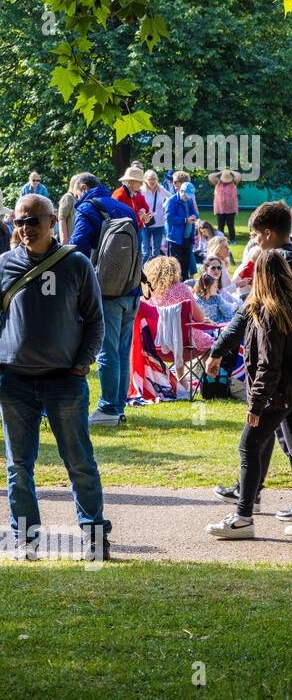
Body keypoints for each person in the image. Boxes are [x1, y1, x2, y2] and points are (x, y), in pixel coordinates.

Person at [0, 194, 111, 560]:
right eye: (19, 222)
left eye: (33, 221)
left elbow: (96, 321)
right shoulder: (4, 265)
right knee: (18, 466)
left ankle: (95, 537)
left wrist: (81, 364)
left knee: (79, 461)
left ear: (51, 222)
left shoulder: (76, 264)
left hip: (65, 380)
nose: (25, 228)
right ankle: (25, 540)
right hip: (13, 381)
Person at [207, 202, 292, 523]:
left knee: (258, 440)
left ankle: (249, 508)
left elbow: (248, 317)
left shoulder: (275, 267)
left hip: (283, 373)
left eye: (256, 237)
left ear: (269, 233)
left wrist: (219, 349)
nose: (255, 244)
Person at [70, 173, 142, 427]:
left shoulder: (88, 208)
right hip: (132, 290)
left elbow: (77, 248)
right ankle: (118, 407)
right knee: (122, 352)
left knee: (107, 352)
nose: (75, 198)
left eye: (75, 193)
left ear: (83, 187)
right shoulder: (124, 207)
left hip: (106, 292)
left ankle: (109, 409)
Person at [141, 254, 215, 352]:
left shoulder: (146, 294)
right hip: (185, 344)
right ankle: (206, 367)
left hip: (155, 345)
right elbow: (200, 318)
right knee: (213, 337)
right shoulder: (181, 289)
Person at [163, 177, 198, 279]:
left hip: (187, 236)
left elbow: (195, 212)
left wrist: (194, 217)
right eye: (187, 195)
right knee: (175, 265)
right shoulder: (172, 201)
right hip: (175, 238)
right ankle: (174, 286)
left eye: (190, 196)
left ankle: (185, 285)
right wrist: (185, 220)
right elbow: (169, 218)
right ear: (181, 191)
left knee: (186, 263)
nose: (188, 198)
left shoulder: (189, 200)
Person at [193, 255, 239, 324]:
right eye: (213, 268)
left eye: (219, 268)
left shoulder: (217, 295)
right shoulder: (198, 295)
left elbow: (230, 309)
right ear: (206, 270)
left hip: (223, 321)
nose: (217, 270)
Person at [140, 169, 168, 261]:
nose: (152, 181)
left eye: (154, 179)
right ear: (145, 180)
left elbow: (172, 198)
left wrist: (165, 206)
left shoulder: (161, 190)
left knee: (156, 252)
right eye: (150, 179)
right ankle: (142, 272)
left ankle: (154, 272)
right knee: (145, 252)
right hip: (145, 224)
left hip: (159, 224)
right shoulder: (141, 191)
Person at [207, 169, 241, 242]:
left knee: (230, 225)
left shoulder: (234, 183)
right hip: (220, 209)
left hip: (231, 210)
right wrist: (221, 172)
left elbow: (239, 175)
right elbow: (210, 176)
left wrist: (231, 172)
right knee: (220, 226)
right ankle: (220, 240)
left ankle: (232, 240)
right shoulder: (217, 183)